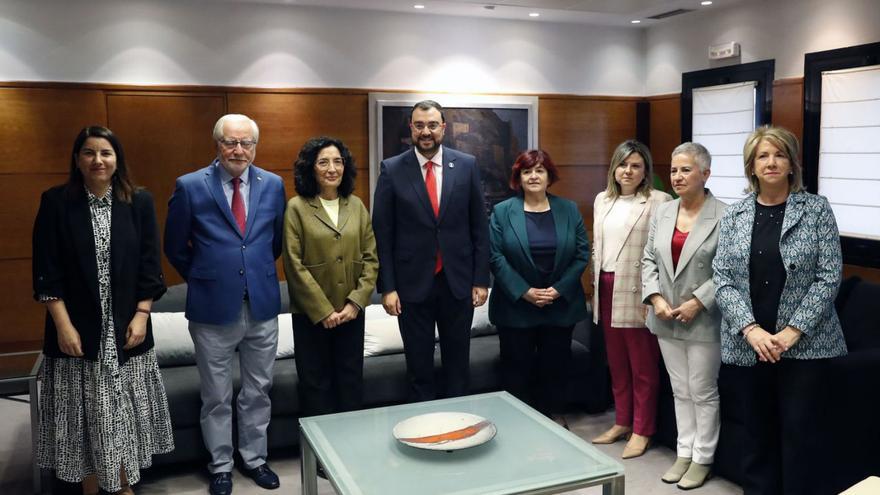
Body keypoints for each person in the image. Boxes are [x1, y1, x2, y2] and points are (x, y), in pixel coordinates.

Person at [32, 126, 173, 495]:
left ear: (117, 160)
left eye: (106, 153)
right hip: (77, 333)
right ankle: (92, 487)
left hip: (126, 330)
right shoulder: (56, 202)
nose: (98, 160)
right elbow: (47, 273)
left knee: (122, 413)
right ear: (77, 160)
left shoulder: (138, 201)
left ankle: (123, 485)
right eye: (89, 153)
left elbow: (150, 267)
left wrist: (142, 314)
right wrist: (63, 327)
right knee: (85, 416)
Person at [712, 126, 847, 495]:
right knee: (756, 435)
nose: (771, 162)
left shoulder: (816, 209)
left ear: (792, 164)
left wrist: (792, 332)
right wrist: (751, 329)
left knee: (802, 436)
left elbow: (829, 276)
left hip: (805, 348)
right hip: (750, 346)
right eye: (762, 156)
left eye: (779, 155)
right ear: (751, 167)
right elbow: (721, 277)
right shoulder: (736, 214)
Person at [164, 114, 286, 495]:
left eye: (246, 143)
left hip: (262, 303)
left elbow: (274, 242)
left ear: (255, 146)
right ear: (217, 144)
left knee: (257, 389)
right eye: (230, 142)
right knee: (216, 395)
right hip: (212, 308)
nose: (238, 150)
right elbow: (174, 246)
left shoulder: (274, 184)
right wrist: (205, 274)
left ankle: (255, 458)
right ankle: (220, 465)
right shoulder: (189, 186)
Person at [372, 99, 490, 401]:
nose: (426, 131)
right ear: (411, 127)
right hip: (411, 287)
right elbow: (382, 234)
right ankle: (424, 431)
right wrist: (388, 288)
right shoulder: (392, 169)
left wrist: (480, 279)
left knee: (457, 366)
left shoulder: (466, 165)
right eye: (420, 125)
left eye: (432, 125)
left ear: (444, 128)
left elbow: (479, 226)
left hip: (458, 284)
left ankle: (458, 427)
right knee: (419, 368)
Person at [641, 142, 726, 489]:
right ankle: (683, 452)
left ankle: (703, 457)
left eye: (686, 169)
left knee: (702, 390)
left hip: (704, 317)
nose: (677, 176)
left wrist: (698, 301)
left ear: (705, 174)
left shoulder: (725, 214)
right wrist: (655, 297)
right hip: (665, 316)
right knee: (680, 389)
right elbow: (648, 258)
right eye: (674, 170)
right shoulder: (663, 211)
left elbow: (729, 269)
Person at [488, 150, 589, 424]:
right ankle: (518, 422)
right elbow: (495, 256)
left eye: (540, 170)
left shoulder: (568, 209)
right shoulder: (502, 212)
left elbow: (582, 253)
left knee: (555, 366)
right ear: (518, 178)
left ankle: (553, 418)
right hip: (516, 306)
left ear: (549, 176)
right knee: (516, 368)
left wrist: (558, 289)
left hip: (559, 304)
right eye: (527, 171)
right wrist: (525, 291)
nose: (533, 176)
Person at [282, 136, 378, 417]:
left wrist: (355, 303)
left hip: (351, 315)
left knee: (350, 385)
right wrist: (324, 311)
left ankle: (348, 454)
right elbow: (293, 263)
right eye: (323, 162)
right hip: (312, 318)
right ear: (311, 168)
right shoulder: (297, 207)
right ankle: (318, 459)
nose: (332, 168)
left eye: (338, 161)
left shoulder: (357, 206)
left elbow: (371, 258)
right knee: (316, 388)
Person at [591, 139, 671, 458]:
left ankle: (643, 429)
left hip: (639, 288)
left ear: (645, 170)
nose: (628, 170)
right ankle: (622, 421)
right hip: (605, 284)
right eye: (623, 164)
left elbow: (661, 252)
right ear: (614, 167)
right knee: (617, 361)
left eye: (635, 165)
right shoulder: (602, 199)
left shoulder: (659, 201)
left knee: (643, 364)